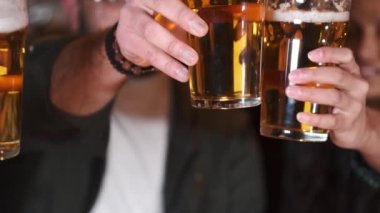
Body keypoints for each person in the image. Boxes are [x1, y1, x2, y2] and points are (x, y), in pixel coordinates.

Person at [0, 0, 379, 213]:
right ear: (70, 9)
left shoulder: (220, 113)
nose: (142, 13)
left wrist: (365, 131)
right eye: (116, 2)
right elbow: (51, 89)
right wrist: (116, 51)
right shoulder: (29, 77)